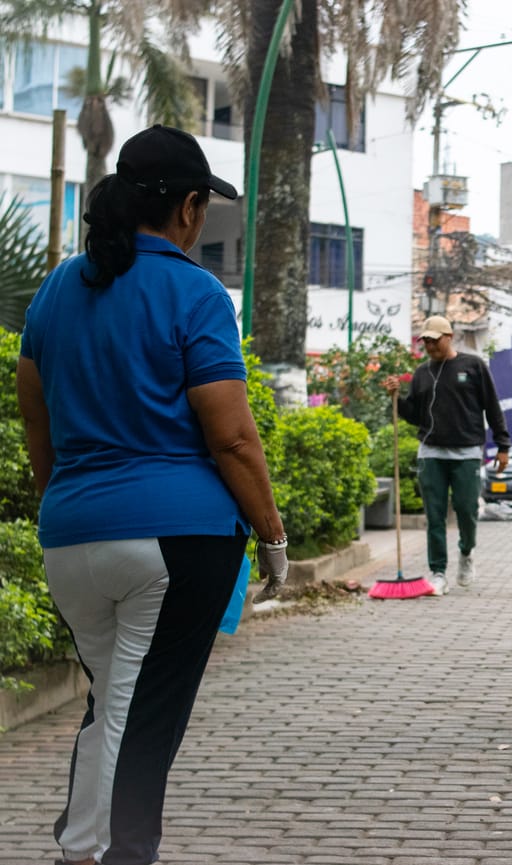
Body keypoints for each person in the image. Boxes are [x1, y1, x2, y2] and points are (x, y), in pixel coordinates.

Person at [16, 125, 287, 865]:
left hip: (72, 535)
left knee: (115, 700)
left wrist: (68, 503)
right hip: (177, 540)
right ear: (189, 208)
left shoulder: (56, 290)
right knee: (144, 713)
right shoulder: (195, 291)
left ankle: (81, 845)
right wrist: (272, 533)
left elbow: (35, 417)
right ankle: (124, 852)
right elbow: (232, 437)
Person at [384, 316, 510, 595]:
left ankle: (466, 554)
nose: (430, 346)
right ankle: (438, 571)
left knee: (466, 511)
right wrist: (396, 399)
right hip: (431, 452)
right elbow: (415, 416)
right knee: (435, 515)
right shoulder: (421, 374)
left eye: (434, 340)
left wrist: (503, 445)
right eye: (425, 341)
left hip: (466, 452)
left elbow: (492, 406)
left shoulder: (473, 366)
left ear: (449, 336)